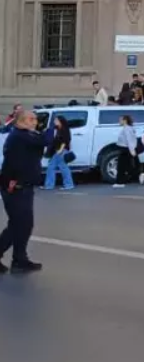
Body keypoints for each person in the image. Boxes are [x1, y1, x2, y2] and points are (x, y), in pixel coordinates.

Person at [0, 110, 44, 273]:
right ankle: (18, 258)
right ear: (20, 121)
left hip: (24, 186)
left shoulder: (25, 135)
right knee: (18, 225)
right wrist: (54, 129)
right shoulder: (19, 136)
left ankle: (19, 258)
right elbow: (44, 141)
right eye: (31, 119)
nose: (35, 122)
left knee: (23, 225)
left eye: (36, 119)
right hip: (15, 187)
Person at [43, 115, 75, 191]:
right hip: (57, 151)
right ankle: (66, 184)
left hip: (61, 151)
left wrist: (61, 150)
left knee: (58, 167)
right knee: (58, 167)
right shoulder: (57, 129)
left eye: (56, 120)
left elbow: (65, 140)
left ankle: (66, 185)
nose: (54, 121)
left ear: (60, 121)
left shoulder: (64, 129)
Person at [114, 114, 144, 188]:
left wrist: (132, 150)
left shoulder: (127, 129)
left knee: (121, 167)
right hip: (126, 149)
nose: (119, 121)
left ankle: (120, 183)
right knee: (128, 165)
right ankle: (139, 174)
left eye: (120, 120)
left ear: (125, 121)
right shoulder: (128, 128)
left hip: (125, 149)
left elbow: (130, 140)